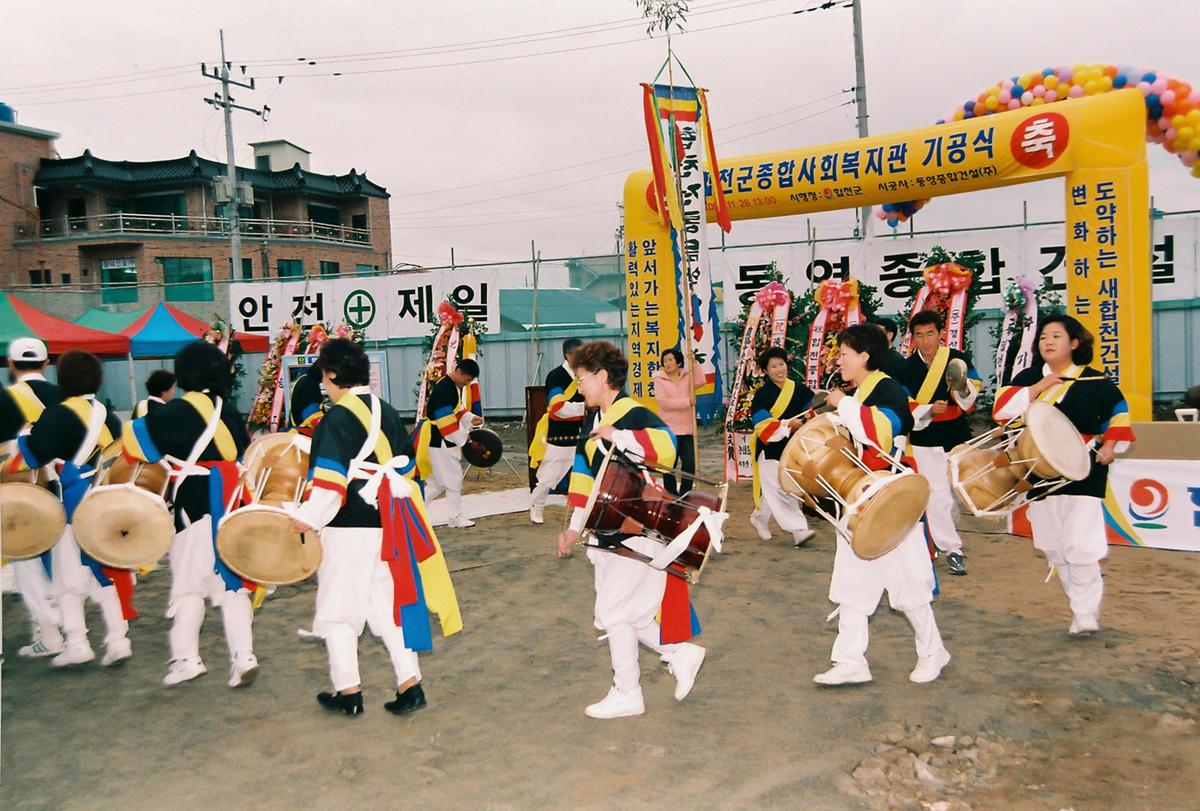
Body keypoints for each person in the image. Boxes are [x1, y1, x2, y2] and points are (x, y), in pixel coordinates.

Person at [290, 339, 462, 717]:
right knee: (384, 609)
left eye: (324, 374)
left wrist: (306, 517)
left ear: (332, 375)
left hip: (348, 525)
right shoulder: (384, 411)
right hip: (388, 524)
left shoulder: (335, 418)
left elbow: (330, 484)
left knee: (337, 610)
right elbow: (407, 469)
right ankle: (410, 684)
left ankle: (348, 691)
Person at [556, 341, 706, 719]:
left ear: (602, 377)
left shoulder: (633, 413)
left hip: (638, 527)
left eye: (582, 379)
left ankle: (628, 691)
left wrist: (619, 436)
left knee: (613, 611)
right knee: (632, 615)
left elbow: (667, 448)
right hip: (611, 531)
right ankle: (678, 653)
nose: (579, 387)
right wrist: (573, 529)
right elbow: (582, 478)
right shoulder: (593, 423)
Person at [816, 324, 950, 686]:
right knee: (851, 583)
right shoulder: (862, 393)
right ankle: (850, 660)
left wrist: (842, 403)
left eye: (844, 353)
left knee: (908, 581)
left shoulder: (887, 389)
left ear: (864, 356)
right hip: (860, 496)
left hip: (892, 495)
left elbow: (882, 430)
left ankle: (932, 651)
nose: (838, 359)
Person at [122, 341, 258, 687]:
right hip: (230, 503)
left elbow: (135, 444)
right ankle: (244, 656)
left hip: (193, 506)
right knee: (232, 583)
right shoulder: (228, 411)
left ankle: (186, 659)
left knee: (187, 587)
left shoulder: (179, 410)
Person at [993, 315, 1134, 635]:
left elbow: (1119, 416)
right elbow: (1001, 412)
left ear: (1074, 343)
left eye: (1056, 336)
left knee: (1079, 545)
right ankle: (1079, 603)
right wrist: (1039, 388)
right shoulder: (1028, 378)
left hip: (1085, 470)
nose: (1048, 341)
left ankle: (1085, 613)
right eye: (1043, 336)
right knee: (1054, 548)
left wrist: (1110, 445)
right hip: (1038, 471)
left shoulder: (1096, 382)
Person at [7, 350, 133, 668]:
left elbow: (31, 457)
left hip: (71, 501)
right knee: (101, 570)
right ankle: (118, 639)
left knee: (65, 579)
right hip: (104, 501)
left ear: (61, 378)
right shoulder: (107, 414)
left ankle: (77, 644)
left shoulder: (59, 414)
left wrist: (23, 437)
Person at [900, 310, 983, 576]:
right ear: (912, 338)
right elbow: (906, 403)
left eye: (930, 334)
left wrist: (961, 387)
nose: (925, 341)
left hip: (956, 434)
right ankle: (953, 549)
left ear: (940, 334)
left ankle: (938, 535)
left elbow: (973, 391)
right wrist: (927, 410)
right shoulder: (906, 367)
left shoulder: (956, 358)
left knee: (955, 493)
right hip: (926, 437)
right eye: (919, 335)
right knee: (937, 495)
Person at [1, 337, 66, 658]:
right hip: (62, 487)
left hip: (19, 489)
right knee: (59, 559)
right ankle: (66, 626)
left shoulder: (4, 398)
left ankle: (51, 630)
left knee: (26, 561)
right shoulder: (64, 397)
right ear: (46, 363)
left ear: (10, 365)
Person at [748, 347, 817, 547]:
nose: (779, 369)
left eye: (781, 364)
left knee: (778, 489)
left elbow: (811, 413)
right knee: (781, 489)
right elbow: (763, 427)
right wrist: (787, 426)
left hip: (794, 448)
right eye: (773, 366)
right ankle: (799, 530)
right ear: (766, 371)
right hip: (770, 449)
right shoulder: (762, 395)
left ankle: (759, 517)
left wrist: (806, 420)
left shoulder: (801, 390)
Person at [414, 358, 482, 528]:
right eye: (467, 380)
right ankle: (455, 518)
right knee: (453, 480)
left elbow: (457, 410)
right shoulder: (446, 389)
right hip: (442, 441)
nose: (467, 384)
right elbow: (446, 423)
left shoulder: (449, 386)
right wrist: (464, 438)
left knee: (436, 483)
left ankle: (413, 512)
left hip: (437, 440)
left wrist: (470, 418)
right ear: (459, 372)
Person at [528, 337, 586, 524]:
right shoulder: (556, 376)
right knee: (549, 476)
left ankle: (583, 510)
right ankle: (536, 505)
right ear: (569, 355)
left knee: (584, 473)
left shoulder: (582, 375)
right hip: (559, 434)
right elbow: (558, 408)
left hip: (579, 434)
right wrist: (584, 407)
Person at [652, 347, 705, 496]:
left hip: (687, 428)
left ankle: (685, 493)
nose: (667, 363)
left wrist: (694, 363)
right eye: (664, 361)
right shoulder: (659, 379)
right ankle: (671, 493)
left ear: (678, 361)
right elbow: (663, 402)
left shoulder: (687, 376)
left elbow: (701, 381)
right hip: (668, 429)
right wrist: (687, 402)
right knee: (669, 464)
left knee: (689, 463)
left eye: (670, 360)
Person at [289, 363, 326, 435]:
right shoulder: (309, 385)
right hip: (305, 436)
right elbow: (313, 418)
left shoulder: (303, 379)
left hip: (298, 433)